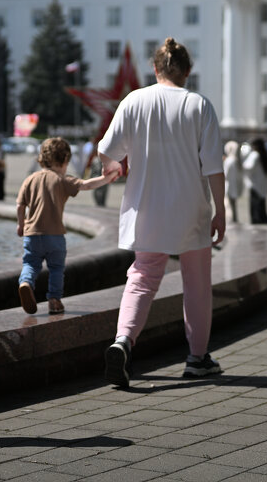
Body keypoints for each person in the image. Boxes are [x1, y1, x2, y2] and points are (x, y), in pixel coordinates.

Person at [98, 37, 226, 386]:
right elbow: (214, 166)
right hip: (192, 209)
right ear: (187, 71)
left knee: (142, 277)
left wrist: (114, 169)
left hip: (147, 207)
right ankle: (197, 358)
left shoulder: (134, 100)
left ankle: (123, 341)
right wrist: (221, 210)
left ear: (154, 69)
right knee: (197, 283)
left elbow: (106, 150)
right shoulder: (199, 106)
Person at [16, 137, 116, 315]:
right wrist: (105, 178)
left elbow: (20, 205)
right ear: (64, 160)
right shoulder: (62, 179)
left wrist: (20, 225)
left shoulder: (30, 180)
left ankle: (25, 283)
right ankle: (54, 300)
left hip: (32, 235)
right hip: (55, 236)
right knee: (56, 269)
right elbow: (85, 185)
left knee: (31, 264)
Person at [243, 137, 267, 224]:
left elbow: (248, 167)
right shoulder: (265, 155)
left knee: (254, 203)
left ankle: (256, 219)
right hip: (263, 184)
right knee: (261, 202)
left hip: (254, 183)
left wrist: (241, 165)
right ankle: (263, 218)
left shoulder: (255, 154)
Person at [222, 140, 243, 223]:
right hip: (235, 185)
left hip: (229, 185)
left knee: (228, 203)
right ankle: (234, 218)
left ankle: (231, 218)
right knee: (233, 203)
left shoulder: (229, 161)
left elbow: (225, 174)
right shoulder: (236, 160)